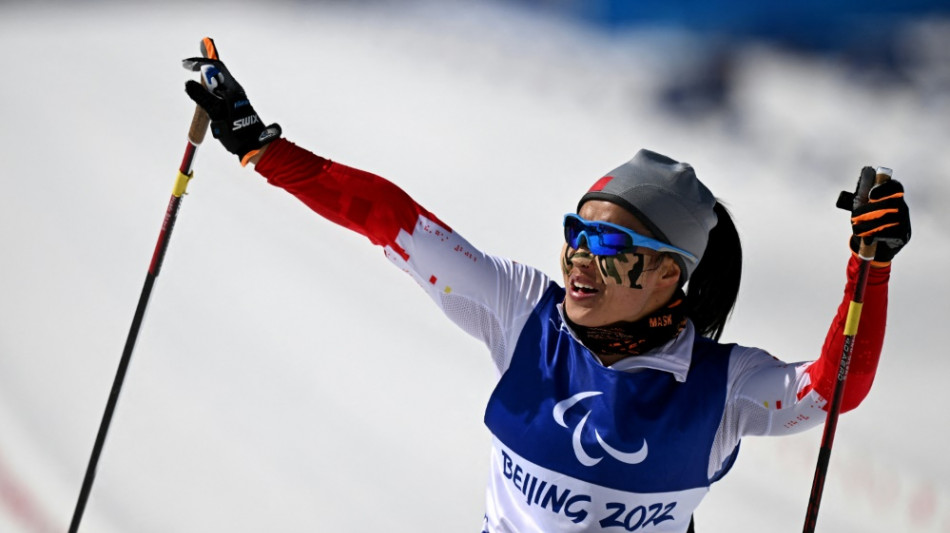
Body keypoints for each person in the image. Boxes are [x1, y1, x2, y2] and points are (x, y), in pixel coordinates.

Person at [182, 52, 911, 533]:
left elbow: (832, 390)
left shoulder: (722, 386)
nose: (579, 258)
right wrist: (265, 150)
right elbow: (389, 218)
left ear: (669, 275)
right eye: (576, 232)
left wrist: (869, 270)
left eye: (610, 245)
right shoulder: (524, 314)